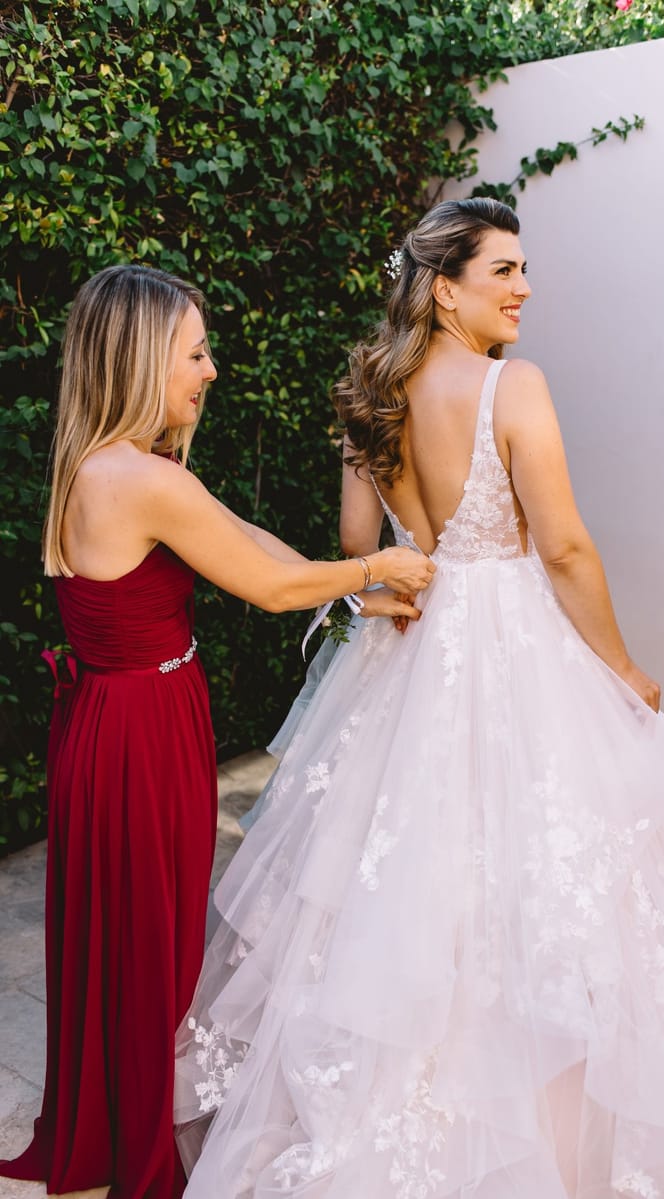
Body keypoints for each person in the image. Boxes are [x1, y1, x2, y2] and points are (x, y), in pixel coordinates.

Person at [173, 200, 664, 1197]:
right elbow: (560, 547)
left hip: (411, 647)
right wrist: (624, 670)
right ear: (443, 285)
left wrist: (403, 580)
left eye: (522, 269)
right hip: (512, 645)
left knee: (407, 887)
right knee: (548, 887)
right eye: (502, 268)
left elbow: (353, 547)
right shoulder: (514, 385)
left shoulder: (370, 394)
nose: (522, 287)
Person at [0, 263, 435, 1199]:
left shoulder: (118, 466)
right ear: (145, 357)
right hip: (138, 735)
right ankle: (135, 1144)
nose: (210, 370)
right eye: (195, 352)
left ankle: (109, 1121)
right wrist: (379, 566)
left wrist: (362, 585)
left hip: (123, 722)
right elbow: (271, 587)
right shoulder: (135, 479)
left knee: (127, 934)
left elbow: (252, 540)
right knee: (150, 939)